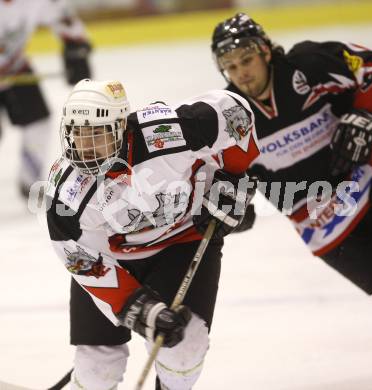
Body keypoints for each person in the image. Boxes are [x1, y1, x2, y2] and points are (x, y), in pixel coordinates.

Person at [46, 79, 259, 389]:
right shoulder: (67, 192)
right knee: (97, 368)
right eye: (78, 132)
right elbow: (82, 260)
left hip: (182, 242)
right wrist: (139, 308)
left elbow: (234, 112)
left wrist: (233, 177)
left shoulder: (168, 132)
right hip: (112, 259)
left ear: (120, 126)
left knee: (185, 349)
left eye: (96, 132)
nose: (86, 145)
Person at [211, 13, 372, 296]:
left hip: (367, 169)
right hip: (320, 216)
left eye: (246, 60)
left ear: (265, 51)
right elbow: (226, 177)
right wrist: (230, 210)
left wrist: (366, 115)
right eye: (231, 67)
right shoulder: (230, 119)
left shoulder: (309, 66)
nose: (241, 73)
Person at [0, 0, 91, 198]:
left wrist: (75, 46)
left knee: (38, 122)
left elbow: (62, 16)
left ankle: (28, 179)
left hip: (15, 68)